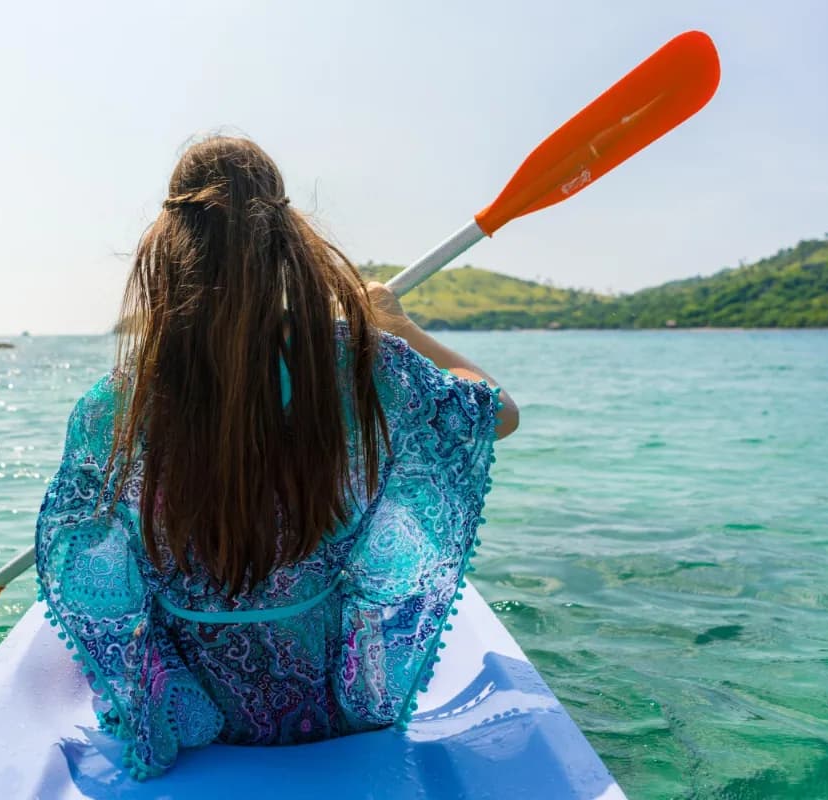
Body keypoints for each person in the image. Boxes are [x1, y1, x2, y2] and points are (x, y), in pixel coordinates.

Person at [34, 136, 519, 780]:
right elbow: (499, 411)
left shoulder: (116, 405)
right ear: (287, 244)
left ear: (168, 252)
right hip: (328, 704)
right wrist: (399, 329)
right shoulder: (358, 362)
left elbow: (89, 567)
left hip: (196, 710)